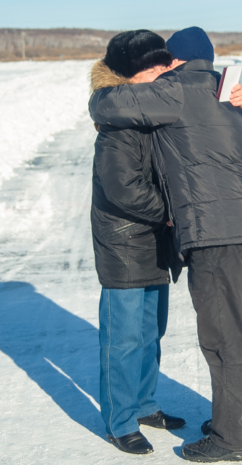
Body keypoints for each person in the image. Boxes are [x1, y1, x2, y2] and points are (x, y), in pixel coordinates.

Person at [89, 27, 242, 463]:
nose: (162, 71)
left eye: (165, 62)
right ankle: (239, 422)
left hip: (212, 231)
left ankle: (233, 437)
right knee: (228, 334)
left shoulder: (174, 93)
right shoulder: (219, 93)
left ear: (176, 63)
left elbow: (109, 102)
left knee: (224, 338)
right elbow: (122, 184)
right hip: (234, 227)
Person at [90, 30, 185, 455]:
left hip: (152, 241)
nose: (164, 72)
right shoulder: (118, 125)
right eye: (156, 66)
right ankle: (119, 421)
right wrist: (168, 210)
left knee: (151, 333)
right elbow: (122, 187)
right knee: (124, 340)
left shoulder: (147, 111)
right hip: (125, 243)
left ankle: (145, 404)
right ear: (132, 75)